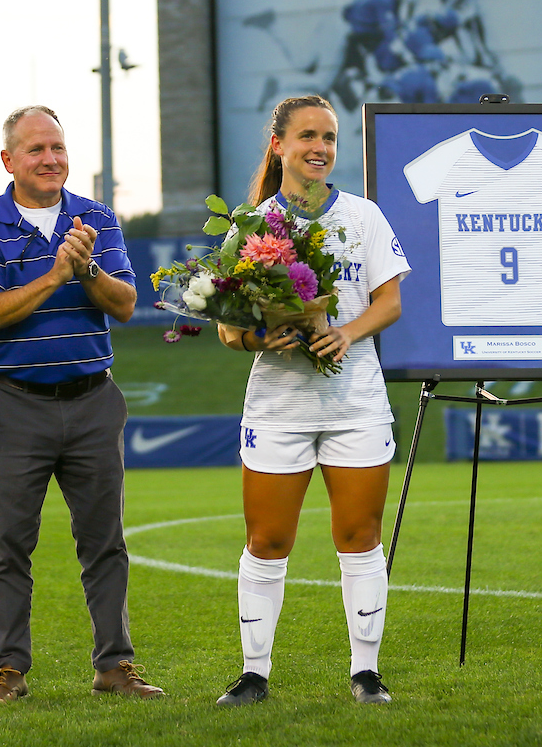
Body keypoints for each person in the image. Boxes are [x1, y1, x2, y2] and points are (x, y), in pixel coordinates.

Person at [0, 105, 162, 703]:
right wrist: (53, 275)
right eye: (37, 150)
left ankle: (115, 666)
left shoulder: (95, 218)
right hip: (13, 403)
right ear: (8, 160)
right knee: (9, 545)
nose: (51, 160)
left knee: (105, 541)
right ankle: (7, 670)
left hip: (93, 398)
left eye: (59, 148)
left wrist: (87, 266)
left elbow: (124, 305)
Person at [215, 95, 411, 707]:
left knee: (360, 536)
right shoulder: (250, 225)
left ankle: (367, 672)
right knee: (267, 541)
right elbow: (227, 328)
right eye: (306, 136)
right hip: (278, 405)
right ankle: (253, 674)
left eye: (328, 137)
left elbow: (391, 301)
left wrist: (347, 331)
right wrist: (259, 336)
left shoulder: (364, 216)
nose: (320, 147)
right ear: (279, 146)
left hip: (356, 402)